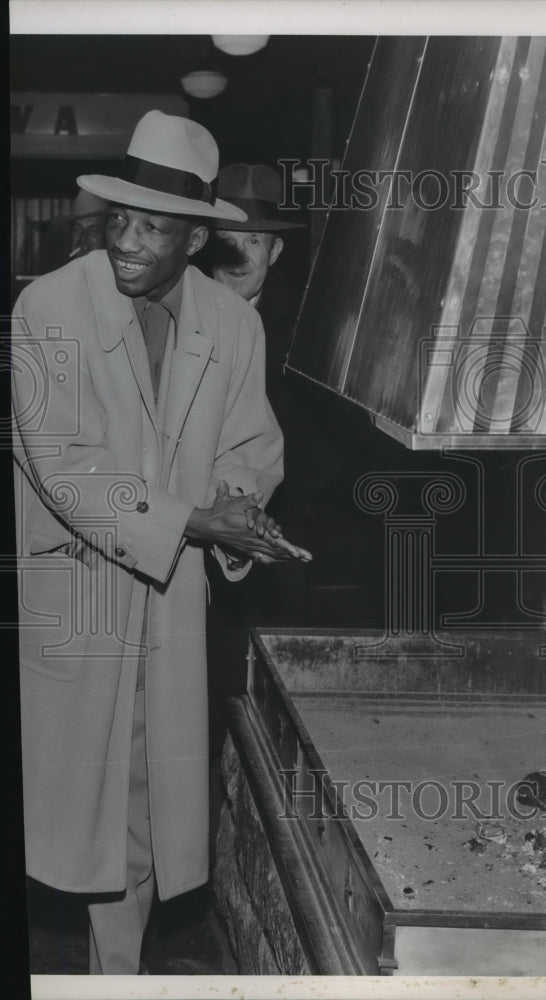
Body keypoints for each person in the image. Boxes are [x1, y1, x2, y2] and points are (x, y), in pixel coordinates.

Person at [12, 110, 310, 975]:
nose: (129, 244)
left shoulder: (232, 323)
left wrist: (239, 506)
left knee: (148, 797)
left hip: (175, 596)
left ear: (194, 238)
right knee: (86, 803)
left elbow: (252, 448)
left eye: (154, 228)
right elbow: (59, 463)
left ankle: (118, 977)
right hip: (82, 590)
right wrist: (190, 521)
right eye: (119, 222)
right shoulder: (46, 308)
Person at [205, 164, 343, 621]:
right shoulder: (176, 313)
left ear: (276, 250)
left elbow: (325, 443)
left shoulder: (310, 328)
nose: (239, 256)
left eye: (254, 241)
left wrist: (266, 514)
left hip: (283, 528)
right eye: (227, 239)